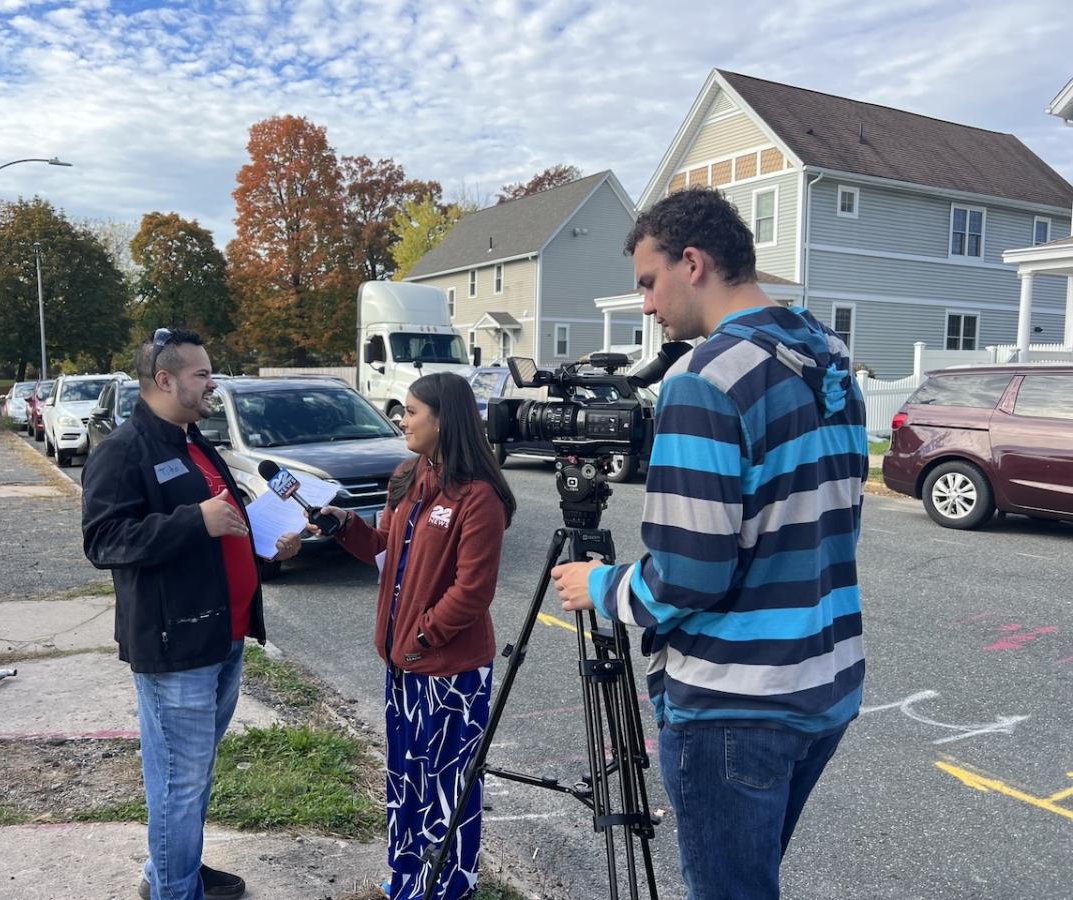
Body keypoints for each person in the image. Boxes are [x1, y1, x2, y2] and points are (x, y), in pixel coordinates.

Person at [552, 187, 867, 899]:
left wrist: (599, 586)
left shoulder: (705, 376)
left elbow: (690, 571)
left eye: (648, 281)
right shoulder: (830, 354)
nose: (646, 306)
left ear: (691, 262)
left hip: (738, 702)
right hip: (827, 679)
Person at [81, 328, 302, 900]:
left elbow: (225, 521)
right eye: (202, 374)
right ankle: (175, 890)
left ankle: (173, 871)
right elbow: (103, 541)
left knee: (192, 776)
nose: (212, 383)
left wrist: (267, 544)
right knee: (179, 783)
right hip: (175, 647)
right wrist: (193, 522)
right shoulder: (124, 450)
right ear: (165, 380)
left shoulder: (195, 442)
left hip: (220, 639)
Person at [297, 372, 515, 900]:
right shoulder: (407, 476)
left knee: (448, 787)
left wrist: (421, 636)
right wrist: (343, 525)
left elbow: (472, 591)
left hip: (451, 671)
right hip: (403, 665)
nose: (402, 419)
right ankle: (405, 879)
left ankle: (447, 886)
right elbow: (383, 549)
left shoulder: (478, 497)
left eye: (412, 411)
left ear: (444, 420)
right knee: (405, 780)